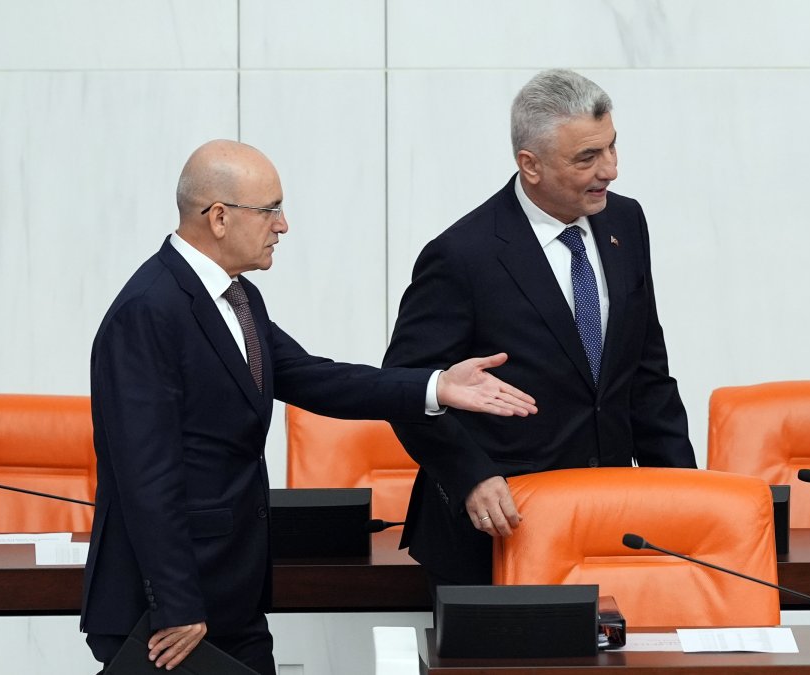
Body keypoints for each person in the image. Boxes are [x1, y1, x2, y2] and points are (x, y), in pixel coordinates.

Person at [80, 139, 537, 674]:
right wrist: (176, 604)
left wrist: (435, 387)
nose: (284, 225)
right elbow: (145, 476)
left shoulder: (238, 297)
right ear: (220, 217)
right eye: (271, 209)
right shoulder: (148, 311)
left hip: (231, 590)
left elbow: (312, 377)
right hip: (166, 611)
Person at [383, 69, 697, 588]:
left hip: (610, 522)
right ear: (529, 165)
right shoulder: (463, 255)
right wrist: (471, 475)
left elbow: (645, 373)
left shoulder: (626, 222)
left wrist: (686, 499)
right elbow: (406, 390)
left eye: (612, 148)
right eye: (587, 158)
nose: (611, 170)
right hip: (499, 531)